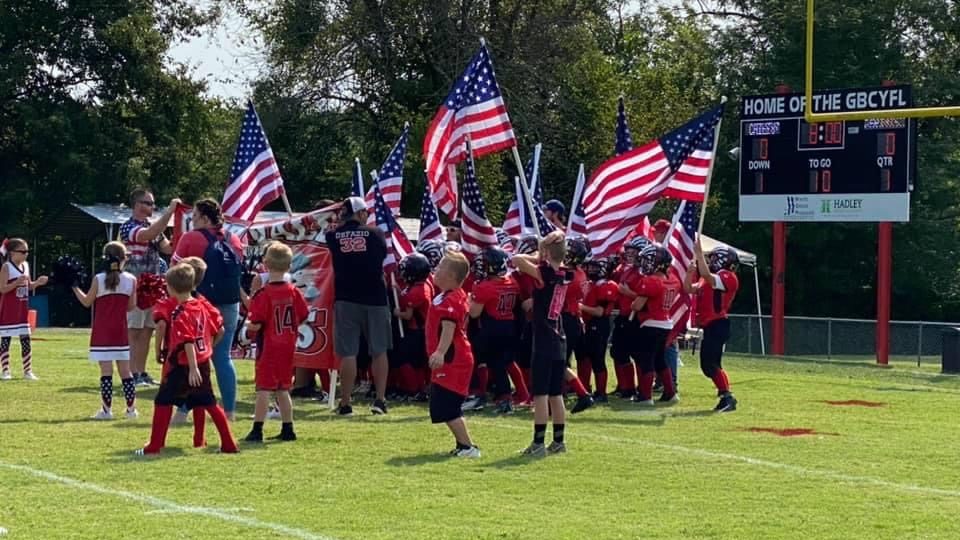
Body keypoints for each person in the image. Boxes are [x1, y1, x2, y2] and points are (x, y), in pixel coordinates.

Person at [138, 264, 237, 455]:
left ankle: (155, 445)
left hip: (182, 364)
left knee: (163, 401)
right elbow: (218, 330)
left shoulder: (180, 312)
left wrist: (192, 367)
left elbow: (187, 341)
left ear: (171, 288)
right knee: (209, 403)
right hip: (202, 361)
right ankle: (228, 443)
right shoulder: (201, 306)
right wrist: (208, 348)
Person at [173, 198, 244, 420]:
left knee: (194, 357)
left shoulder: (191, 238)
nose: (192, 221)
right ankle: (230, 411)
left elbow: (176, 272)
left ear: (204, 218)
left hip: (200, 304)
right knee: (223, 358)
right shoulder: (234, 239)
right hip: (231, 303)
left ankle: (183, 411)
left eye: (194, 217)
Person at [325, 196, 392, 416]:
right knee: (379, 350)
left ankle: (345, 402)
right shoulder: (376, 234)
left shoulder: (333, 236)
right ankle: (380, 400)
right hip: (375, 297)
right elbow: (382, 255)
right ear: (362, 213)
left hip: (345, 298)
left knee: (348, 353)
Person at [512, 230, 571, 457]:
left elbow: (516, 260)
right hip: (559, 335)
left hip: (544, 339)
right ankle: (558, 441)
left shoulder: (543, 273)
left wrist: (537, 256)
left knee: (541, 395)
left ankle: (538, 443)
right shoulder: (566, 273)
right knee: (556, 394)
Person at [244, 243, 309, 443]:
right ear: (290, 266)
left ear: (265, 264)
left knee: (263, 388)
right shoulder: (293, 291)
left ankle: (257, 429)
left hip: (270, 345)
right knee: (283, 387)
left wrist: (247, 325)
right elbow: (304, 315)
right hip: (288, 345)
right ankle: (288, 427)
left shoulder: (264, 294)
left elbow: (255, 324)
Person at [119, 188, 180, 387]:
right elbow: (147, 235)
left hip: (153, 286)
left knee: (146, 331)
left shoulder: (153, 227)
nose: (152, 207)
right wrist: (169, 213)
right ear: (137, 205)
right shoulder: (128, 227)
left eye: (152, 204)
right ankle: (130, 374)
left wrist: (183, 230)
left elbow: (168, 248)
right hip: (135, 286)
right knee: (133, 331)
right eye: (148, 203)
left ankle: (141, 372)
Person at [72, 242, 138, 419]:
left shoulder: (99, 279)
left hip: (102, 331)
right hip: (120, 330)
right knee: (126, 371)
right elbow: (131, 307)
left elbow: (87, 302)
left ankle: (106, 410)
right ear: (123, 259)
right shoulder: (131, 280)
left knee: (106, 371)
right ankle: (131, 410)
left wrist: (74, 286)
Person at [427, 251, 480, 458]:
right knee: (443, 404)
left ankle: (468, 447)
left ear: (450, 276)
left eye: (440, 268)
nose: (436, 270)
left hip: (453, 359)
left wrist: (440, 352)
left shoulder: (453, 299)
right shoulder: (444, 296)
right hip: (450, 358)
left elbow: (448, 328)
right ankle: (462, 445)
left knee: (448, 406)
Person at [686, 240, 740, 413]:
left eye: (714, 257)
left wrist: (699, 253)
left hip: (718, 323)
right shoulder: (707, 277)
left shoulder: (728, 276)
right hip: (710, 325)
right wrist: (689, 273)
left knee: (711, 364)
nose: (711, 261)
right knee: (707, 365)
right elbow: (688, 288)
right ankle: (725, 395)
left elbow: (709, 277)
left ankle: (727, 396)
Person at [469, 247, 521, 415]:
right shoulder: (511, 281)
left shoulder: (484, 286)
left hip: (492, 327)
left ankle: (480, 395)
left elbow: (474, 313)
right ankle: (501, 397)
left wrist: (469, 298)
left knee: (481, 360)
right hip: (509, 325)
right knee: (499, 364)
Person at [628, 245, 680, 406]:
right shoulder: (673, 280)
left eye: (649, 260)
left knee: (647, 360)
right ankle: (670, 393)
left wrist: (632, 301)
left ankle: (645, 396)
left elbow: (637, 306)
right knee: (659, 360)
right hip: (666, 322)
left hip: (651, 323)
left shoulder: (651, 281)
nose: (645, 263)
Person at [0, 238, 47, 380]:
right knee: (6, 339)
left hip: (22, 309)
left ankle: (27, 370)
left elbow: (28, 285)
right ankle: (6, 370)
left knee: (25, 339)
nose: (26, 254)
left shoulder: (25, 265)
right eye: (23, 251)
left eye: (27, 251)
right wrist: (16, 283)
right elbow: (2, 289)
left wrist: (37, 283)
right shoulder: (6, 267)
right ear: (13, 253)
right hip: (9, 309)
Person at [609, 236, 648, 397]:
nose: (630, 254)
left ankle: (636, 389)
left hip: (636, 316)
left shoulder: (645, 273)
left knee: (636, 354)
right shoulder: (626, 269)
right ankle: (625, 386)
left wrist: (628, 293)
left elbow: (645, 297)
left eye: (634, 251)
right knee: (617, 352)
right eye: (629, 250)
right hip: (624, 315)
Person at [393, 253, 434, 401]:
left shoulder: (417, 291)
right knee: (418, 362)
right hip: (422, 330)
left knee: (407, 361)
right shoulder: (424, 284)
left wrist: (398, 313)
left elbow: (408, 315)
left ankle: (414, 389)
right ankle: (421, 388)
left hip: (416, 331)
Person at [577, 256, 618, 402]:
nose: (590, 270)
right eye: (590, 267)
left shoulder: (606, 285)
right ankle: (589, 389)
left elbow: (600, 311)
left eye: (594, 267)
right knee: (588, 357)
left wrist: (579, 307)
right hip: (590, 324)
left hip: (599, 324)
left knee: (597, 359)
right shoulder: (593, 284)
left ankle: (601, 393)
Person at [652, 219, 680, 392]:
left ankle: (672, 380)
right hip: (664, 302)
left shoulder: (671, 254)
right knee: (659, 346)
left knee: (669, 343)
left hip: (670, 303)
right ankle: (661, 380)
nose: (654, 234)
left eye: (657, 231)